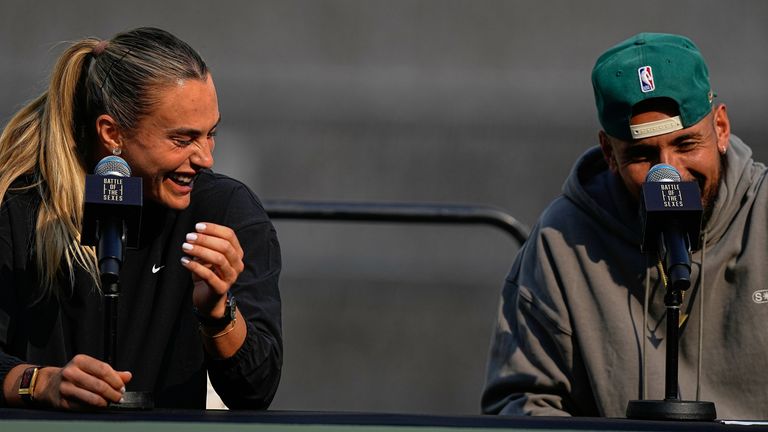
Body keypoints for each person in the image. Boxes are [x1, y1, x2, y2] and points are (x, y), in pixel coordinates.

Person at [482, 32, 768, 419]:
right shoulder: (562, 240)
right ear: (609, 153)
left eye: (685, 145)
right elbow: (521, 403)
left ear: (720, 128)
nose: (669, 174)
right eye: (643, 155)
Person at [0, 27, 282, 410]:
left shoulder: (226, 211)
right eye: (183, 140)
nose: (205, 158)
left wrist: (217, 311)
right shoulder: (19, 205)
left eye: (210, 134)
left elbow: (255, 390)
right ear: (111, 133)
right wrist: (43, 383)